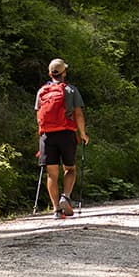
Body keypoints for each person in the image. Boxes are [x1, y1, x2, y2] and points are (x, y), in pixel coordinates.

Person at [36, 58, 89, 216]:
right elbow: (78, 114)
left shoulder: (42, 91)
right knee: (70, 169)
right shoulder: (71, 90)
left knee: (52, 174)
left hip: (47, 136)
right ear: (64, 73)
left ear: (50, 73)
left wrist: (41, 136)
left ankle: (56, 210)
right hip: (66, 134)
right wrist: (83, 134)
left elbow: (38, 114)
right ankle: (65, 197)